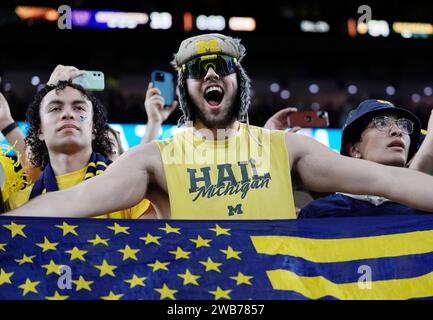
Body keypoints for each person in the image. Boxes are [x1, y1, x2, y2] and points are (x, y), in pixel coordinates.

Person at [6, 33, 433, 219]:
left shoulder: (286, 150)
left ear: (238, 83)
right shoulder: (154, 158)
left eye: (222, 66)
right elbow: (71, 202)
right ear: (184, 87)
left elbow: (390, 182)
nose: (211, 74)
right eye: (198, 69)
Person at [5, 75, 150, 219]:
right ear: (40, 131)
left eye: (79, 108)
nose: (68, 114)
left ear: (93, 129)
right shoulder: (17, 203)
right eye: (55, 108)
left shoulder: (131, 187)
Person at [299, 99, 430, 218]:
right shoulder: (321, 212)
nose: (398, 131)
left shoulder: (426, 206)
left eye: (403, 125)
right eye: (381, 123)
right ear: (354, 149)